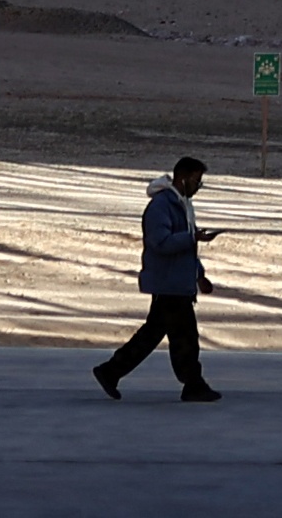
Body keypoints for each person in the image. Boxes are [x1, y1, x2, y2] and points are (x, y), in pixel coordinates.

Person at [95, 156, 221, 400]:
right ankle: (192, 384)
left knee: (156, 335)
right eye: (197, 181)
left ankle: (111, 371)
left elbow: (185, 246)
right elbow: (160, 243)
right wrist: (193, 238)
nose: (198, 187)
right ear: (183, 178)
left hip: (177, 284)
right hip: (169, 285)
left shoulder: (181, 205)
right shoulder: (161, 206)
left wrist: (199, 275)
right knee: (183, 337)